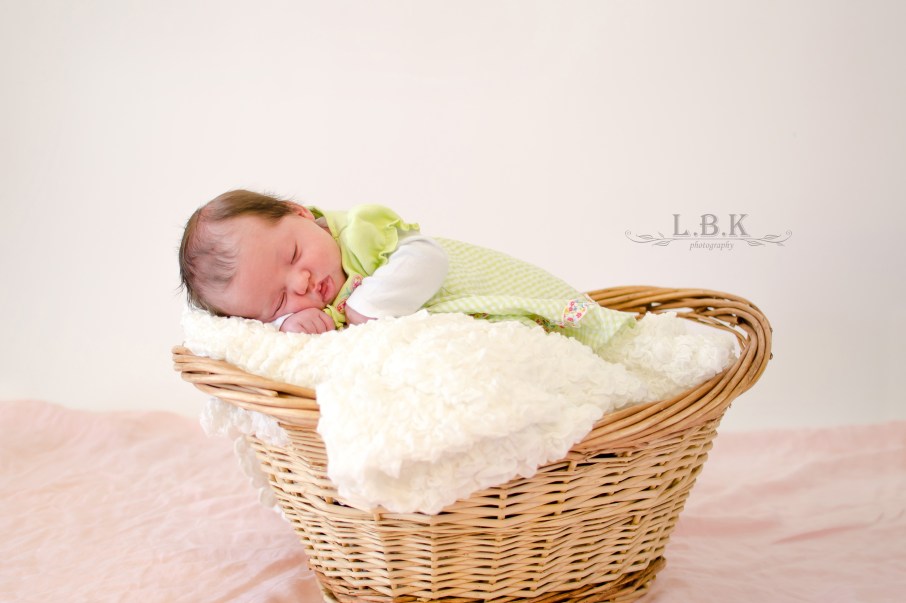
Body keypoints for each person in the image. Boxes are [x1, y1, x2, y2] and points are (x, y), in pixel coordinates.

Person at [179, 190, 635, 354]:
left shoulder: (359, 233)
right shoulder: (304, 312)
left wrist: (363, 309)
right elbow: (270, 340)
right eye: (279, 299)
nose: (301, 283)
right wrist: (289, 323)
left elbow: (428, 259)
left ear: (300, 213)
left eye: (294, 254)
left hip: (490, 291)